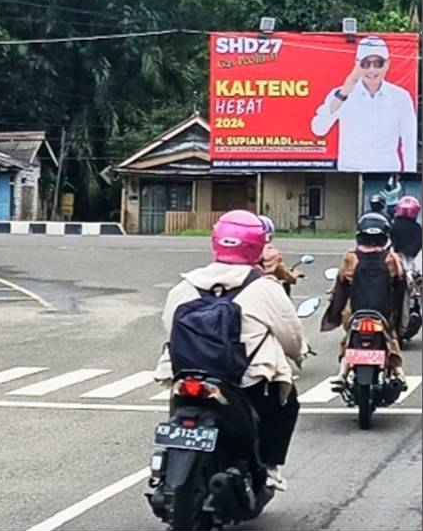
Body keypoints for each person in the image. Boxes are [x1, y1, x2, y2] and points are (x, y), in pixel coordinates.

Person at [154, 210, 309, 491]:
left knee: (178, 411)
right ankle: (270, 466)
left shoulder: (184, 286)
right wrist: (298, 354)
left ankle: (165, 465)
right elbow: (290, 333)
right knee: (286, 404)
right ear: (257, 245)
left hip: (187, 376)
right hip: (244, 381)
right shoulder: (264, 287)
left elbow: (169, 327)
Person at [321, 212, 408, 383]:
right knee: (391, 336)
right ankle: (399, 372)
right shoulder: (391, 259)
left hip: (355, 311)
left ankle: (343, 373)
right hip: (383, 312)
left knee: (350, 336)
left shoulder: (350, 258)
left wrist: (334, 313)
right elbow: (401, 286)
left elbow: (341, 287)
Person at [310, 36, 418, 172]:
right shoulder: (340, 94)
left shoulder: (400, 97)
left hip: (386, 173)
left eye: (378, 63)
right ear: (357, 64)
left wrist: (410, 176)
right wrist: (344, 93)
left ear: (387, 64)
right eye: (365, 64)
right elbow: (318, 129)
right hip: (350, 174)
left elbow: (409, 142)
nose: (372, 70)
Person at [259, 214, 302, 287]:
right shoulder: (271, 254)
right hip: (265, 291)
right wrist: (295, 274)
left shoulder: (239, 252)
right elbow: (286, 276)